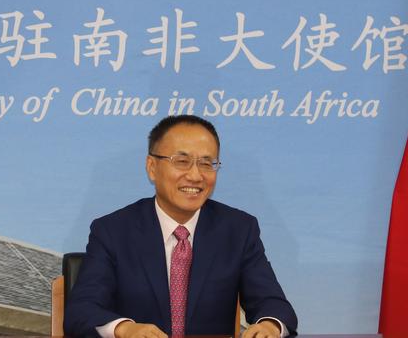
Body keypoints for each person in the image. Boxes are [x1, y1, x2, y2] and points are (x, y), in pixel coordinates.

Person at [64, 115, 297, 338]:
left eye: (206, 163)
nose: (195, 176)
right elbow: (81, 310)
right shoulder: (113, 231)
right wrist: (124, 329)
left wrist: (269, 326)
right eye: (182, 161)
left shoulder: (238, 230)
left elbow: (273, 304)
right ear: (152, 167)